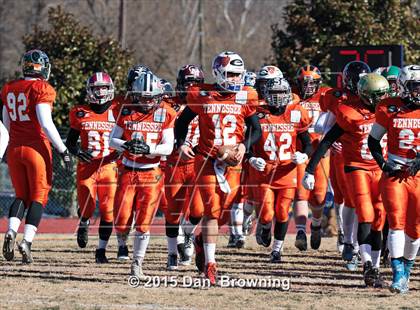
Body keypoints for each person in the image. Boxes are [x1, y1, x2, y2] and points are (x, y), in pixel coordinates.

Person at [175, 51, 261, 284]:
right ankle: (211, 265)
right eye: (231, 74)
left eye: (238, 75)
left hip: (233, 162)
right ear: (219, 73)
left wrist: (244, 146)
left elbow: (256, 130)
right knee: (212, 208)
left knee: (223, 210)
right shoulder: (202, 94)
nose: (235, 79)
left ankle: (202, 242)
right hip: (207, 159)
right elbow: (181, 122)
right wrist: (181, 144)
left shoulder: (246, 95)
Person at [303, 70, 389, 287]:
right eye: (376, 95)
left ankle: (375, 267)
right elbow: (326, 140)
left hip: (380, 169)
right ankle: (366, 262)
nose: (380, 100)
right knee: (365, 212)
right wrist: (310, 169)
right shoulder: (349, 112)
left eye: (383, 95)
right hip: (357, 167)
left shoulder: (389, 111)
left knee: (380, 216)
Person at [1, 49, 72, 264]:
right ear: (44, 68)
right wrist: (63, 150)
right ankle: (27, 242)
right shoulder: (42, 88)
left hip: (14, 149)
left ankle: (12, 231)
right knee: (39, 197)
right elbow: (46, 123)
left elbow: (7, 123)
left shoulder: (9, 89)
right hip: (36, 149)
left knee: (21, 195)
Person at [110, 72, 176, 280]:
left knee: (144, 222)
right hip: (128, 171)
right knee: (121, 222)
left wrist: (149, 148)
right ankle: (122, 241)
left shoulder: (166, 112)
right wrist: (126, 144)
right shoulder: (127, 110)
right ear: (135, 95)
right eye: (143, 97)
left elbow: (168, 147)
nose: (147, 101)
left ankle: (137, 262)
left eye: (151, 97)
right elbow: (112, 140)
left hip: (152, 172)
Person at [368, 64, 420, 293]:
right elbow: (373, 140)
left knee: (416, 228)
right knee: (396, 221)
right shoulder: (388, 107)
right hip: (395, 174)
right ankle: (398, 272)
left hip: (418, 175)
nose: (419, 91)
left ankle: (406, 269)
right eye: (415, 87)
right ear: (402, 86)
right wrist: (383, 164)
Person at [250, 76, 311, 262]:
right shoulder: (257, 114)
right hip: (266, 170)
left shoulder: (295, 113)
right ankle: (265, 226)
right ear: (266, 94)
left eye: (281, 93)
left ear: (288, 93)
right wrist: (251, 157)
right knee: (267, 214)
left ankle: (277, 250)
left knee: (283, 211)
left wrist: (304, 155)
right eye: (274, 93)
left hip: (287, 170)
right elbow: (245, 142)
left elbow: (307, 142)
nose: (277, 97)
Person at [66, 72, 119, 263]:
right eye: (96, 88)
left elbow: (126, 136)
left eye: (103, 87)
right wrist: (77, 151)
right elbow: (71, 142)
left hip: (109, 166)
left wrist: (121, 151)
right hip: (87, 167)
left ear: (110, 88)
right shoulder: (80, 111)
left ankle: (101, 251)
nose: (100, 91)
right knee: (87, 207)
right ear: (90, 90)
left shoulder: (117, 110)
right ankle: (84, 222)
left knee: (108, 210)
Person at [165, 64, 204, 269]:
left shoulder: (207, 103)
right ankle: (172, 254)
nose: (191, 87)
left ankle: (187, 233)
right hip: (174, 163)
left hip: (198, 163)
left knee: (198, 209)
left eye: (195, 83)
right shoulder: (168, 105)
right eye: (187, 83)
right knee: (172, 212)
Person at [293, 64, 333, 251]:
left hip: (320, 152)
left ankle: (315, 224)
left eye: (312, 83)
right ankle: (301, 231)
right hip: (300, 152)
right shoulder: (291, 96)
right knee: (300, 193)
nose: (308, 86)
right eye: (304, 82)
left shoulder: (327, 96)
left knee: (318, 196)